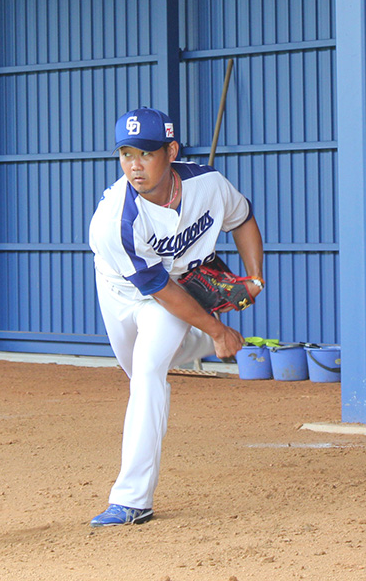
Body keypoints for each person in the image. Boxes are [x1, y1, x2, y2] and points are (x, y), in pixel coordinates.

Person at [87, 107, 264, 527]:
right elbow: (157, 288)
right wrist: (217, 329)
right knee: (136, 370)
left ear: (171, 151)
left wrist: (255, 278)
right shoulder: (116, 220)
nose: (134, 165)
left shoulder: (209, 184)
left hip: (173, 294)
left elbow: (242, 220)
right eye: (126, 153)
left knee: (148, 375)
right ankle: (206, 337)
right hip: (121, 293)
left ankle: (132, 500)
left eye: (145, 153)